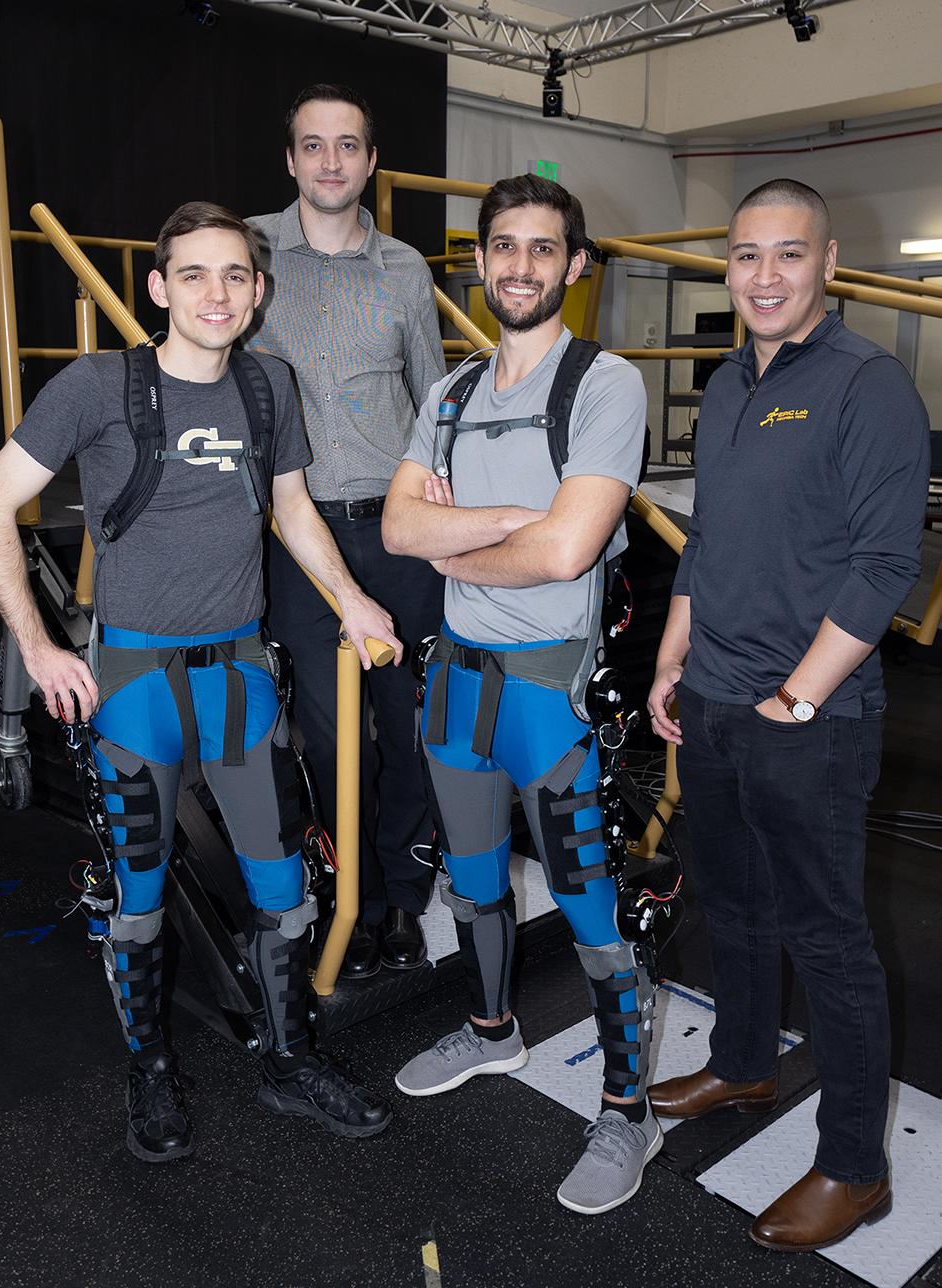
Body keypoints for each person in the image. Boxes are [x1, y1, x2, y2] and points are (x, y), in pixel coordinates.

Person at [0, 201, 403, 1162]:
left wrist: (352, 600)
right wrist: (41, 647)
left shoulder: (268, 386)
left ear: (257, 292)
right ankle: (151, 1072)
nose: (218, 293)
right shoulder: (95, 385)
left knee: (286, 897)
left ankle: (290, 1062)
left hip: (241, 682)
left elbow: (291, 509)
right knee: (138, 901)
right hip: (133, 687)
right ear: (159, 289)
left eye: (236, 276)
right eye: (195, 275)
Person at [646, 179, 930, 1251]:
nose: (763, 277)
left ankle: (855, 1167)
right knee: (732, 901)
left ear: (827, 261)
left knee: (829, 938)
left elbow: (884, 563)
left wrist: (795, 695)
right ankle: (744, 1060)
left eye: (787, 256)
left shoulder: (869, 385)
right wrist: (674, 654)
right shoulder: (724, 382)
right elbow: (709, 536)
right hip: (714, 698)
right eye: (746, 256)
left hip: (808, 717)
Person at [384, 174, 656, 1214]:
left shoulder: (605, 385)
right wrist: (516, 531)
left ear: (574, 265)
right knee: (473, 883)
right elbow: (402, 532)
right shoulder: (450, 392)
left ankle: (627, 1110)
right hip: (454, 687)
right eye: (504, 247)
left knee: (593, 913)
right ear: (480, 259)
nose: (521, 267)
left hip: (549, 694)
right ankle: (494, 1032)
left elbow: (570, 549)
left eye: (544, 249)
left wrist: (468, 538)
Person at [246, 84, 446, 979]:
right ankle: (344, 892)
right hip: (296, 538)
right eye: (313, 145)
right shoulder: (245, 256)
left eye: (349, 146)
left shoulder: (406, 269)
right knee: (329, 738)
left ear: (370, 161)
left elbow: (433, 402)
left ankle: (400, 903)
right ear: (291, 159)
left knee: (407, 728)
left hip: (397, 532)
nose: (331, 161)